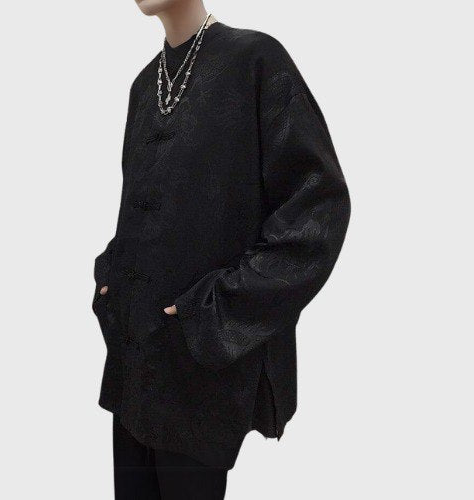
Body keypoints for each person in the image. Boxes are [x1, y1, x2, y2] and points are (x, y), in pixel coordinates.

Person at [92, 1, 351, 498]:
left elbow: (318, 209)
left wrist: (217, 307)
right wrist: (111, 276)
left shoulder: (254, 60)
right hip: (132, 361)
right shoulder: (144, 87)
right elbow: (149, 209)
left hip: (200, 374)